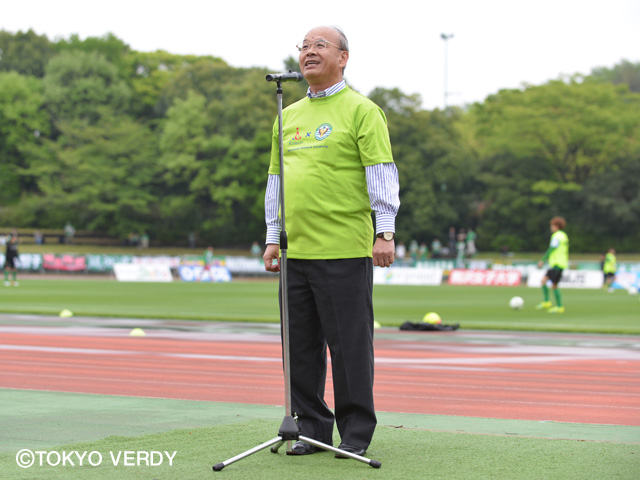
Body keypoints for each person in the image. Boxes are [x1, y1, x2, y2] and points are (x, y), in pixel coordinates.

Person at [262, 25, 400, 459]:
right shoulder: (288, 115)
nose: (309, 52)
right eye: (304, 46)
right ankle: (313, 427)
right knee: (299, 350)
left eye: (320, 45)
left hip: (344, 249)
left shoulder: (362, 110)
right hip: (295, 251)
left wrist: (385, 231)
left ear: (343, 57)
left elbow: (381, 172)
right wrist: (271, 237)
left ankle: (355, 431)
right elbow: (276, 180)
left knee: (350, 347)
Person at [536, 216, 569, 313]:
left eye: (552, 225)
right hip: (558, 264)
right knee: (543, 281)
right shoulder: (564, 236)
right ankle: (547, 301)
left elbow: (552, 248)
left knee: (554, 285)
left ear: (556, 226)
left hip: (558, 264)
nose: (551, 227)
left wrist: (542, 259)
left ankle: (559, 307)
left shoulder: (557, 236)